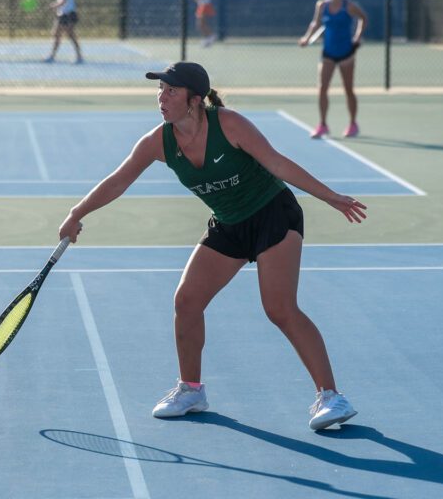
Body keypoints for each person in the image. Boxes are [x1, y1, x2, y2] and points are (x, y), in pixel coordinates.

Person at [57, 61, 369, 431]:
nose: (162, 97)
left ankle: (331, 396)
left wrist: (330, 197)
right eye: (160, 90)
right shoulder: (159, 141)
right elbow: (118, 180)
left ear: (195, 100)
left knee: (280, 309)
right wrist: (76, 213)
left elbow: (276, 163)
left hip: (273, 215)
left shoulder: (228, 124)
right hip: (228, 223)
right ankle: (191, 391)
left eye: (171, 91)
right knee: (186, 301)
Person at [299, 0, 368, 139]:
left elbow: (363, 18)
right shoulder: (322, 5)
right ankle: (322, 124)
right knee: (322, 88)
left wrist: (357, 37)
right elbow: (315, 23)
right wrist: (306, 38)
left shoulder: (349, 6)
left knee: (348, 89)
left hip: (346, 54)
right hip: (328, 53)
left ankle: (352, 123)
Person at [45, 0, 83, 64]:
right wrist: (56, 6)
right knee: (57, 34)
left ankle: (79, 56)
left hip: (68, 14)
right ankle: (52, 56)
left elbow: (63, 1)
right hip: (62, 14)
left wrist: (53, 5)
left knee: (70, 35)